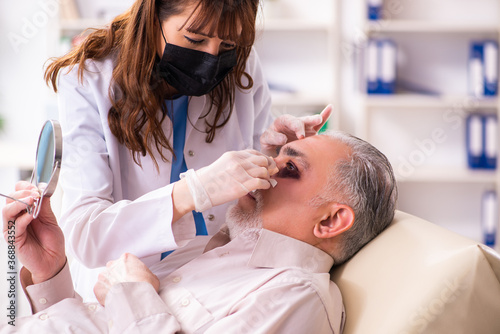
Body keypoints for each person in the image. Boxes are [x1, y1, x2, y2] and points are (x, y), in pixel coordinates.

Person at [44, 0, 331, 300]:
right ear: (152, 17)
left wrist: (271, 150)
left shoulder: (241, 64)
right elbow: (87, 235)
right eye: (195, 39)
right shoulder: (89, 79)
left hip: (214, 281)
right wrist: (193, 192)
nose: (211, 56)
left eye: (227, 43)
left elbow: (245, 171)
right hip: (120, 285)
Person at [1, 131, 397, 333]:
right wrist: (49, 272)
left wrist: (131, 293)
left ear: (329, 221)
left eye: (289, 168)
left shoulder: (297, 296)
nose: (263, 167)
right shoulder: (225, 253)